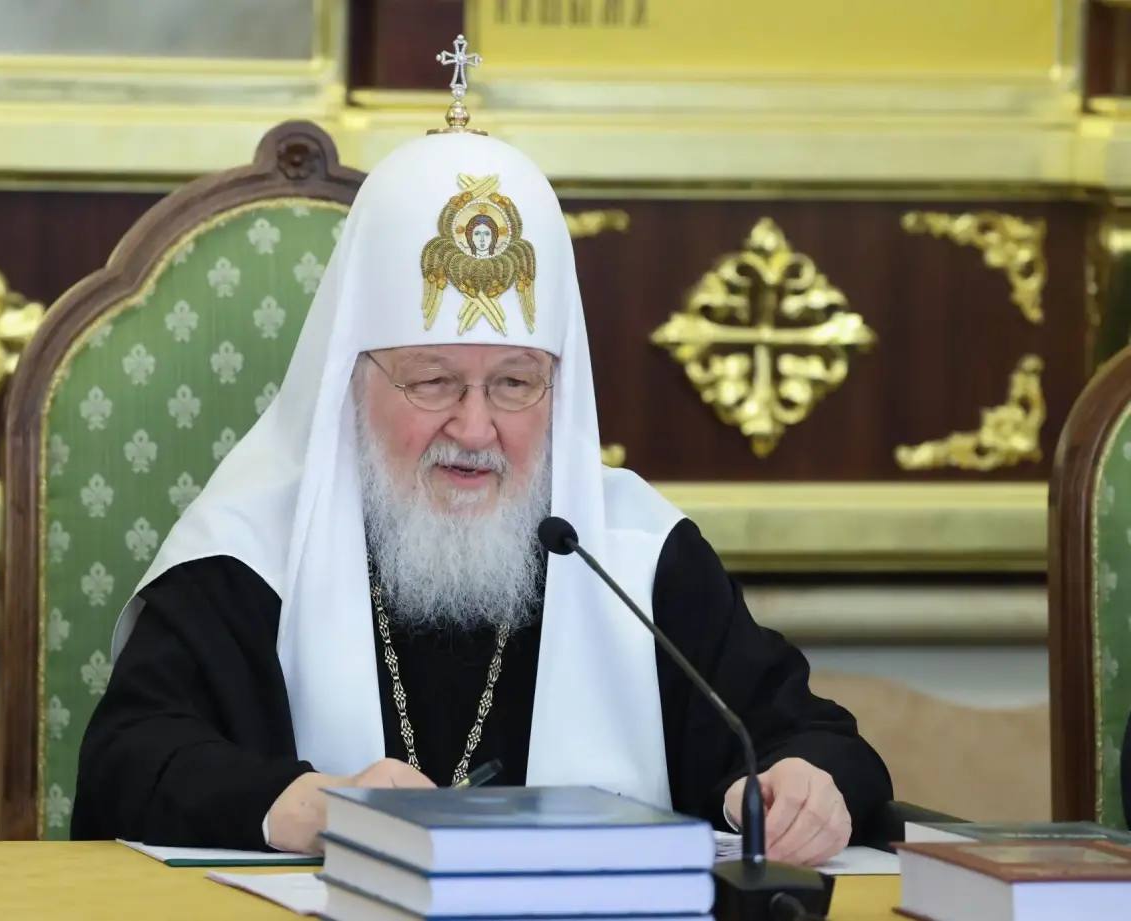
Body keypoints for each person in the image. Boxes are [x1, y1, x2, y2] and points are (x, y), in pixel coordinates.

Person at [71, 123, 892, 868]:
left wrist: (807, 783)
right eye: (432, 381)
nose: (474, 427)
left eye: (514, 384)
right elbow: (128, 761)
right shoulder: (250, 555)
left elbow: (809, 738)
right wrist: (298, 803)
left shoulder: (632, 556)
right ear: (351, 382)